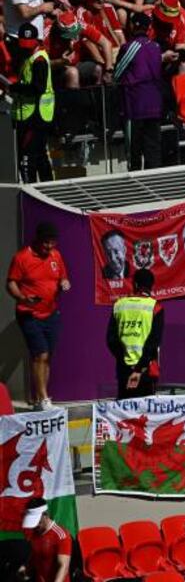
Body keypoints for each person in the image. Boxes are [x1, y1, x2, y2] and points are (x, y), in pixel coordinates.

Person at [7, 222, 68, 411]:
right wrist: (22, 297)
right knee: (40, 354)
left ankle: (41, 399)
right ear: (38, 240)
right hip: (29, 314)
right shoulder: (22, 257)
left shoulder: (56, 255)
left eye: (52, 243)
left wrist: (64, 283)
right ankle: (43, 399)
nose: (49, 247)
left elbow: (63, 276)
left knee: (47, 356)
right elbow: (11, 283)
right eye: (45, 243)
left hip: (51, 314)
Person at [107, 269, 163, 399]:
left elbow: (111, 340)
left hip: (123, 370)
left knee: (124, 409)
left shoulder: (119, 305)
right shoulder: (155, 307)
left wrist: (124, 362)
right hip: (146, 371)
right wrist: (138, 369)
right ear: (151, 286)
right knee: (145, 410)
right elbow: (154, 341)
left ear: (135, 284)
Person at [10, 22, 55, 183]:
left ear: (37, 40)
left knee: (27, 157)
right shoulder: (29, 57)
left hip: (36, 116)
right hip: (33, 114)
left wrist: (17, 88)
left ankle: (30, 187)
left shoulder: (39, 60)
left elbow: (38, 88)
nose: (26, 47)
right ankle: (48, 186)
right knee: (40, 155)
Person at [22, 497, 71, 582]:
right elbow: (36, 554)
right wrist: (26, 568)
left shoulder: (61, 535)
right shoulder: (34, 533)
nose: (36, 525)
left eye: (38, 522)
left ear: (46, 515)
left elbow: (63, 566)